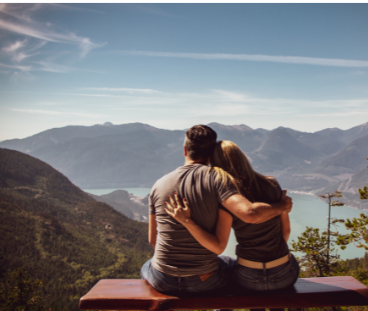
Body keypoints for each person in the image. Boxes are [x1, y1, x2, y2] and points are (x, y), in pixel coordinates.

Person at [141, 126, 293, 295]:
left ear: (185, 150)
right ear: (211, 153)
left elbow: (153, 240)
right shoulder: (219, 179)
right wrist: (282, 207)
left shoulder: (158, 185)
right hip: (205, 279)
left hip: (163, 279)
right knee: (229, 264)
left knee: (147, 265)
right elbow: (249, 214)